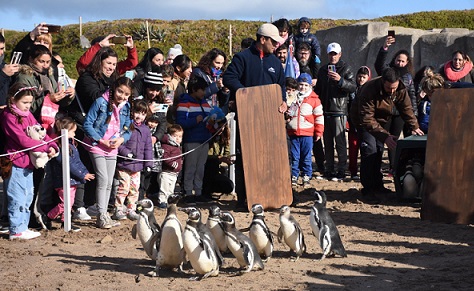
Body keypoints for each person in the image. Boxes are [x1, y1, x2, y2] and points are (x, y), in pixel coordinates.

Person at [223, 23, 287, 210]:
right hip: (248, 117)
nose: (276, 45)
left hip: (270, 119)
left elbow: (281, 85)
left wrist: (283, 100)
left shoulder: (275, 62)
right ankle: (245, 198)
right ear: (262, 39)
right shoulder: (242, 58)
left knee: (271, 156)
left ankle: (271, 195)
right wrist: (245, 94)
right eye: (273, 41)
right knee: (247, 158)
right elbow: (229, 78)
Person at [68, 46, 123, 219]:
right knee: (82, 167)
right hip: (83, 127)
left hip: (103, 132)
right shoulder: (87, 78)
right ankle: (79, 206)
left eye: (114, 64)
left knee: (98, 171)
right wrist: (116, 91)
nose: (111, 67)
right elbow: (95, 97)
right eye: (108, 63)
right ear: (99, 62)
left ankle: (92, 203)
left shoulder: (112, 80)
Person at [0, 83, 58, 240]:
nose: (28, 106)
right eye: (24, 102)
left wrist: (52, 144)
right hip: (14, 162)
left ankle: (22, 226)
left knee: (27, 195)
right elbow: (22, 140)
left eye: (30, 103)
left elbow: (40, 131)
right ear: (13, 100)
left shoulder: (29, 115)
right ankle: (16, 229)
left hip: (28, 164)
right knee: (17, 196)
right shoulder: (8, 116)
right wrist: (46, 147)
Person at [357, 68, 423, 199]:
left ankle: (378, 185)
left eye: (394, 88)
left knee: (379, 150)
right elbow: (367, 119)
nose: (392, 91)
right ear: (383, 81)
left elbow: (406, 108)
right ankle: (368, 188)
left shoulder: (400, 88)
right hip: (363, 120)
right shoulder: (369, 89)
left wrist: (414, 126)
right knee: (370, 149)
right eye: (388, 88)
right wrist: (385, 136)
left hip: (381, 121)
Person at [83, 76, 132, 229]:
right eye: (120, 92)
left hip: (113, 147)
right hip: (97, 145)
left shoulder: (126, 106)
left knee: (110, 182)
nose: (122, 96)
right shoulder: (100, 102)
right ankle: (101, 215)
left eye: (126, 94)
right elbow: (87, 124)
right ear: (114, 88)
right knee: (103, 179)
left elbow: (128, 127)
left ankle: (104, 214)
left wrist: (121, 140)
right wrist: (99, 140)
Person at [315, 42, 356, 181]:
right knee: (327, 142)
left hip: (339, 110)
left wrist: (340, 81)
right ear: (327, 54)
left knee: (340, 142)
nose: (333, 56)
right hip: (325, 110)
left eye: (335, 53)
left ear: (340, 54)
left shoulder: (346, 69)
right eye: (331, 54)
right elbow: (319, 90)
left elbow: (352, 87)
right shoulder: (322, 71)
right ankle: (330, 168)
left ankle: (341, 169)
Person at [47, 117, 94, 232]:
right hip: (64, 180)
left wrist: (85, 171)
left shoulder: (71, 144)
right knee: (65, 203)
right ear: (65, 131)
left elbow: (77, 161)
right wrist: (82, 175)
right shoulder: (60, 146)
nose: (74, 134)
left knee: (69, 202)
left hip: (72, 180)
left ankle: (65, 221)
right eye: (73, 131)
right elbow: (68, 164)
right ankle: (48, 216)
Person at [374, 35, 417, 158]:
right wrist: (385, 48)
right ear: (394, 59)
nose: (400, 63)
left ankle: (393, 168)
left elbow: (412, 95)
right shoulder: (388, 71)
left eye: (403, 61)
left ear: (407, 63)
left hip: (399, 114)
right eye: (398, 60)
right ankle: (376, 165)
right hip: (385, 111)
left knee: (394, 141)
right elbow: (379, 66)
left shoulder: (408, 77)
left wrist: (414, 115)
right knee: (382, 139)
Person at [15, 45, 74, 134]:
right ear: (31, 59)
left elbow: (58, 101)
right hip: (32, 124)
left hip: (50, 120)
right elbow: (24, 106)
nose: (45, 65)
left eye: (48, 62)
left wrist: (68, 95)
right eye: (42, 61)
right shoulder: (24, 78)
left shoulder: (49, 74)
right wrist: (47, 100)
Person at [113, 100, 153, 221]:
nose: (139, 116)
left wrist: (148, 163)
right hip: (124, 164)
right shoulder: (126, 125)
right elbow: (118, 142)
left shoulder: (146, 130)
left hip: (138, 166)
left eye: (143, 113)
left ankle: (131, 209)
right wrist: (127, 153)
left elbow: (148, 148)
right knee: (123, 188)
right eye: (137, 112)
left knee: (135, 189)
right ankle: (118, 208)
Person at [176, 76, 213, 204]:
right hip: (191, 140)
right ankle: (187, 192)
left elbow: (210, 116)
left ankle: (198, 192)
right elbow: (180, 122)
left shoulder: (205, 103)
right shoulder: (184, 103)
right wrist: (194, 121)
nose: (203, 93)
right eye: (201, 90)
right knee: (190, 167)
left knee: (200, 167)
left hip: (204, 139)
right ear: (193, 89)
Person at [286, 73, 324, 187]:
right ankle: (294, 175)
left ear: (310, 86)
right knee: (294, 156)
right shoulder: (292, 98)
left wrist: (318, 131)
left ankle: (307, 175)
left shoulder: (314, 99)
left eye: (306, 85)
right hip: (293, 132)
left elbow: (319, 116)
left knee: (306, 156)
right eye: (301, 85)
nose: (303, 87)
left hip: (307, 133)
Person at [347, 66, 372, 181]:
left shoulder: (371, 90)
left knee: (365, 149)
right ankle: (353, 171)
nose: (361, 79)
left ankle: (364, 171)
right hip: (353, 124)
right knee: (353, 149)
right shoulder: (353, 89)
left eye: (363, 77)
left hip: (365, 126)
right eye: (359, 76)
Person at [202, 119, 234, 200]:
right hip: (205, 168)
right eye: (219, 127)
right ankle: (205, 192)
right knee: (210, 166)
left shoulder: (224, 136)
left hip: (217, 169)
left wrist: (228, 158)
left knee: (229, 186)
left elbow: (227, 151)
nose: (221, 129)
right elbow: (205, 156)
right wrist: (219, 159)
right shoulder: (207, 135)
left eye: (223, 127)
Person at [192, 48, 230, 113]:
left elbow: (223, 102)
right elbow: (197, 95)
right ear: (209, 61)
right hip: (202, 111)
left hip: (216, 112)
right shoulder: (198, 72)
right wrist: (216, 86)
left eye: (222, 63)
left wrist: (225, 91)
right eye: (217, 63)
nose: (220, 66)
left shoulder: (220, 74)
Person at [158, 124, 183, 208]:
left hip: (174, 174)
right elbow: (164, 157)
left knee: (171, 189)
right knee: (164, 188)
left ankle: (170, 201)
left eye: (180, 136)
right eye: (175, 136)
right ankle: (162, 201)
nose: (177, 138)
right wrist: (172, 163)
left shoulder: (178, 147)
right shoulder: (167, 145)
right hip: (166, 172)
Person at [167, 54, 193, 124]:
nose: (191, 70)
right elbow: (169, 102)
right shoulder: (172, 82)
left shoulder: (183, 81)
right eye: (188, 68)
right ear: (178, 68)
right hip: (172, 120)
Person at [0, 34, 20, 107]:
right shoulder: (3, 71)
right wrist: (3, 75)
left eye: (2, 48)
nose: (1, 52)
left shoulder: (3, 65)